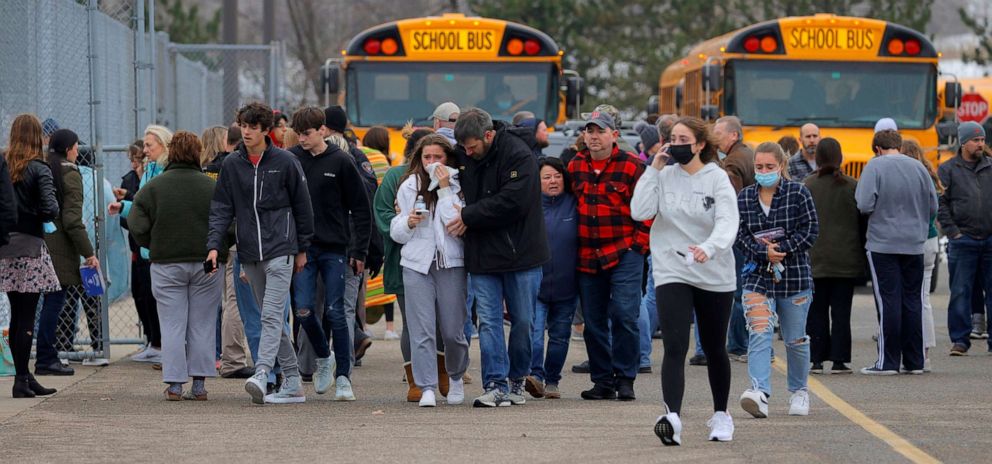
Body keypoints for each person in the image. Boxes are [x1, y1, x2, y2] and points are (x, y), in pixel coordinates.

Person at [631, 116, 739, 445]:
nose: (675, 144)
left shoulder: (716, 179)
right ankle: (672, 417)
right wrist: (653, 169)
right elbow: (639, 211)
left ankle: (721, 415)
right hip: (672, 269)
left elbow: (727, 222)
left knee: (714, 346)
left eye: (683, 138)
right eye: (672, 138)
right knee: (675, 345)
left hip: (714, 272)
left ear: (700, 144)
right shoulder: (662, 176)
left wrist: (709, 248)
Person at [207, 101, 315, 404]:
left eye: (254, 127)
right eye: (244, 126)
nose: (247, 132)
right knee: (272, 321)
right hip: (248, 252)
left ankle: (263, 371)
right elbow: (221, 208)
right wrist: (214, 246)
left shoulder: (285, 161)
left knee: (269, 315)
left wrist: (303, 248)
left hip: (281, 249)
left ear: (266, 130)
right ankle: (293, 381)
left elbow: (303, 207)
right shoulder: (232, 164)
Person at [449, 108, 549, 407]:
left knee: (522, 321)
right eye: (464, 147)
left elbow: (513, 201)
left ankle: (518, 379)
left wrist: (469, 215)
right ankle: (495, 383)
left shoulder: (519, 155)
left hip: (522, 253)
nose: (467, 152)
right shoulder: (463, 154)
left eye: (472, 147)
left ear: (489, 135)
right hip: (482, 253)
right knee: (489, 322)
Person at [128, 131, 227, 400]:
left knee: (172, 324)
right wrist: (219, 248)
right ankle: (199, 383)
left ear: (171, 153)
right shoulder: (211, 186)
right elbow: (229, 222)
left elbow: (136, 223)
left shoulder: (154, 187)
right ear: (197, 154)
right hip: (207, 262)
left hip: (166, 262)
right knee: (202, 323)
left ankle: (174, 383)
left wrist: (155, 242)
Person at [288, 106, 371, 400]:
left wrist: (359, 251)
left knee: (337, 311)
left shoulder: (341, 161)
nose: (302, 139)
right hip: (303, 249)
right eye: (298, 133)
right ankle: (324, 357)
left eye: (307, 133)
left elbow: (361, 208)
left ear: (322, 130)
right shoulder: (292, 160)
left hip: (336, 248)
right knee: (303, 309)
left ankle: (344, 377)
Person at [567, 110, 649, 401]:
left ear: (614, 135)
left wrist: (639, 245)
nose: (594, 136)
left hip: (624, 250)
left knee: (626, 315)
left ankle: (625, 378)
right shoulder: (575, 165)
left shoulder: (632, 166)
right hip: (587, 254)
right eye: (589, 131)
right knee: (593, 320)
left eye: (600, 131)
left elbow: (648, 207)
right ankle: (602, 380)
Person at [736, 142, 819, 418]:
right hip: (757, 274)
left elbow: (811, 230)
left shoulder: (798, 192)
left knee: (795, 338)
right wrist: (763, 251)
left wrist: (782, 249)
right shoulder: (745, 197)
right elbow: (739, 235)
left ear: (781, 166)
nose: (764, 171)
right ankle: (759, 391)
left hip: (794, 274)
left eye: (769, 167)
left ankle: (799, 391)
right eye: (759, 167)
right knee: (759, 331)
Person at [390, 134, 469, 407]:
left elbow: (454, 224)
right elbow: (397, 232)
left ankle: (456, 376)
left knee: (452, 330)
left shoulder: (459, 185)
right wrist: (408, 223)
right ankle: (426, 387)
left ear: (448, 158)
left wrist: (445, 187)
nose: (432, 163)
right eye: (427, 157)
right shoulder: (409, 186)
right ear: (419, 159)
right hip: (416, 264)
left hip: (451, 263)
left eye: (438, 157)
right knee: (421, 329)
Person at [855, 129, 937, 374]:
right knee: (914, 300)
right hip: (914, 243)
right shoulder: (919, 167)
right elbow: (933, 204)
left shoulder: (874, 166)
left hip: (883, 243)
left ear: (877, 149)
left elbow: (864, 203)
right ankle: (915, 361)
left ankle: (888, 361)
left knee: (888, 300)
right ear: (898, 145)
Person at [2, 114, 61, 398]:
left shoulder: (4, 164)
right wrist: (40, 213)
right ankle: (22, 380)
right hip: (30, 246)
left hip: (4, 246)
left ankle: (23, 376)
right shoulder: (39, 168)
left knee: (16, 315)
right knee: (27, 316)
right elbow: (50, 208)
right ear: (38, 136)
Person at [36, 129, 101, 375]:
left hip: (38, 243)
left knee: (37, 304)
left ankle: (43, 356)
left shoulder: (42, 168)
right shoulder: (70, 173)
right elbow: (73, 219)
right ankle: (46, 357)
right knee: (55, 302)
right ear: (67, 149)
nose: (77, 150)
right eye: (75, 146)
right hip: (61, 249)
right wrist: (88, 253)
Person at [110, 125, 174, 365]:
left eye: (149, 145)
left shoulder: (167, 171)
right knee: (149, 296)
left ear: (163, 144)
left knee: (165, 303)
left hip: (164, 248)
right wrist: (123, 207)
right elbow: (141, 205)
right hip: (148, 248)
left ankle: (168, 348)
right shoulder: (149, 171)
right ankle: (157, 344)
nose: (145, 150)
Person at [323, 105, 381, 367]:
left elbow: (364, 202)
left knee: (328, 303)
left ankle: (330, 358)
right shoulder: (357, 156)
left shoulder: (338, 156)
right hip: (354, 244)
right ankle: (346, 356)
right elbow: (370, 200)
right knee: (347, 305)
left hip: (338, 244)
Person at [805, 137, 864, 375]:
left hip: (815, 259)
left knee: (816, 311)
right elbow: (862, 222)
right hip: (845, 260)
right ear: (840, 157)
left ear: (817, 158)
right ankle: (840, 359)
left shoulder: (807, 185)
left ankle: (816, 359)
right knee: (841, 312)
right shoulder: (852, 185)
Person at [937, 121, 991, 356]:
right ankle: (960, 340)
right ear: (963, 142)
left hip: (989, 240)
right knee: (960, 291)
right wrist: (953, 232)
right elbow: (941, 204)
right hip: (963, 241)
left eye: (982, 140)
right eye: (976, 140)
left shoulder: (990, 167)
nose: (980, 144)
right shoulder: (948, 169)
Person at [526, 157, 578, 399]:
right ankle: (535, 376)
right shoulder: (530, 204)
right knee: (534, 335)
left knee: (559, 336)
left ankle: (552, 380)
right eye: (546, 177)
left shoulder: (573, 203)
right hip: (535, 285)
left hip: (567, 285)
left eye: (557, 176)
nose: (553, 181)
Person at [712, 115, 755, 363]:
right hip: (749, 232)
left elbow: (732, 202)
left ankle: (739, 344)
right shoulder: (746, 155)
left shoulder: (733, 163)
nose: (715, 137)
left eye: (719, 133)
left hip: (739, 234)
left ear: (733, 135)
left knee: (738, 291)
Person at [902, 139, 940, 368]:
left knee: (905, 298)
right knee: (923, 299)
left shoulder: (906, 178)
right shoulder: (929, 175)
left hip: (910, 240)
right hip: (930, 237)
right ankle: (925, 351)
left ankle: (907, 349)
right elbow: (934, 208)